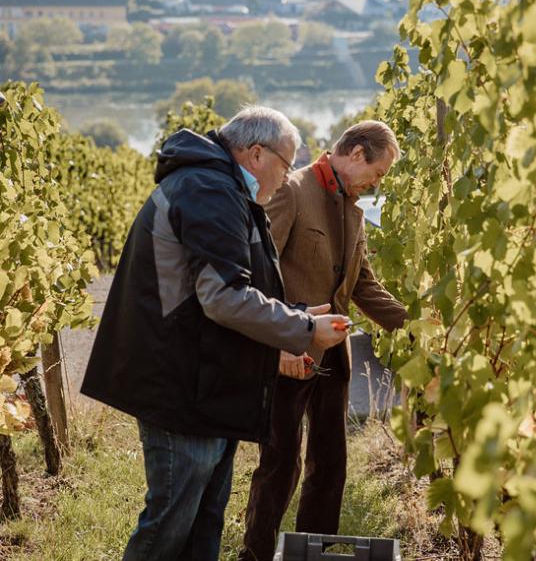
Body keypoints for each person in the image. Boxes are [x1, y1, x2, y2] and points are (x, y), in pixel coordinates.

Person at [80, 106, 350, 561]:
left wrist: (293, 315)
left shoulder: (221, 189)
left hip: (204, 384)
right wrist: (302, 329)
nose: (287, 179)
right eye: (286, 165)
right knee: (170, 527)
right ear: (257, 154)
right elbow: (223, 298)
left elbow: (237, 284)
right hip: (180, 385)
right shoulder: (208, 191)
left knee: (203, 525)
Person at [238, 121, 409, 561]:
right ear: (355, 153)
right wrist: (282, 343)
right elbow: (260, 275)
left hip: (336, 354)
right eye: (379, 172)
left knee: (330, 463)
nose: (378, 183)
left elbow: (363, 286)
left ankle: (313, 552)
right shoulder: (293, 191)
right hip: (292, 350)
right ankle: (255, 552)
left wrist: (415, 326)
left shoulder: (353, 210)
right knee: (280, 462)